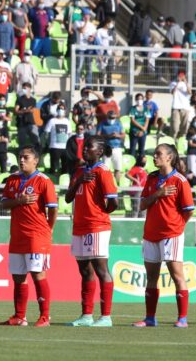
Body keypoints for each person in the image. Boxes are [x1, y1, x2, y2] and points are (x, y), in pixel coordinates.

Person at [132, 144, 195, 328]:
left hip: (171, 234)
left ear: (169, 157)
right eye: (154, 154)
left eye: (158, 154)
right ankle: (150, 318)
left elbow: (189, 210)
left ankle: (182, 318)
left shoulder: (180, 181)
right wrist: (157, 194)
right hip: (151, 233)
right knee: (151, 277)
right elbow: (142, 205)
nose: (154, 157)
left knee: (177, 275)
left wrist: (178, 226)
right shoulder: (152, 178)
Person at [64, 135, 119, 327]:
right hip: (79, 226)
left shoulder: (102, 171)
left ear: (100, 151)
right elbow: (67, 198)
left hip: (97, 226)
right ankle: (86, 315)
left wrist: (101, 214)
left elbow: (114, 201)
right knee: (84, 270)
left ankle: (105, 317)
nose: (85, 149)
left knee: (100, 268)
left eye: (90, 147)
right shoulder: (79, 171)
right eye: (85, 146)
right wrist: (79, 181)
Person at [0, 146, 57, 327]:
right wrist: (20, 201)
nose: (22, 160)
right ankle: (19, 316)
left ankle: (45, 317)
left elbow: (53, 208)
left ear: (36, 161)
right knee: (18, 276)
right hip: (17, 235)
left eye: (26, 157)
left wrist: (49, 228)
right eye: (20, 157)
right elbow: (4, 203)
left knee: (37, 273)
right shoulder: (13, 180)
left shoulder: (43, 181)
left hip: (36, 235)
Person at [97, 111, 125, 183]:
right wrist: (108, 136)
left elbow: (123, 135)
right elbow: (97, 135)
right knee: (105, 169)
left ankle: (119, 187)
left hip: (117, 148)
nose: (112, 119)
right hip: (107, 148)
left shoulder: (118, 123)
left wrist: (117, 135)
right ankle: (104, 185)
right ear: (107, 116)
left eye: (113, 117)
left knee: (118, 169)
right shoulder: (102, 123)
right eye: (110, 117)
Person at [43, 104, 71, 175]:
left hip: (65, 148)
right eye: (59, 108)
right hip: (54, 147)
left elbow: (69, 134)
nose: (60, 110)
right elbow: (46, 133)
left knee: (65, 168)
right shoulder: (52, 121)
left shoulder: (67, 121)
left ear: (65, 111)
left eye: (62, 109)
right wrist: (47, 143)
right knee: (54, 168)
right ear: (57, 110)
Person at [14, 82, 38, 148]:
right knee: (22, 143)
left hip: (31, 122)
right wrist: (25, 111)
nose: (24, 90)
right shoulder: (20, 99)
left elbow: (34, 110)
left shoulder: (33, 100)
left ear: (30, 89)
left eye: (25, 88)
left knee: (36, 141)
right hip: (21, 123)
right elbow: (16, 111)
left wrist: (31, 110)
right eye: (23, 88)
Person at [128, 93, 150, 159]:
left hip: (143, 132)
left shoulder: (146, 109)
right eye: (137, 99)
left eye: (140, 99)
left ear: (143, 100)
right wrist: (142, 128)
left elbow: (147, 120)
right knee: (132, 149)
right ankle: (131, 164)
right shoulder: (133, 109)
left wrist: (143, 130)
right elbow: (133, 120)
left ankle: (141, 165)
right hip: (134, 131)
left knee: (142, 150)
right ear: (135, 100)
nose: (139, 100)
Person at [170, 72, 191, 139]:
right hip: (176, 107)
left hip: (185, 108)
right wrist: (178, 83)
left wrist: (185, 82)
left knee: (184, 127)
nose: (181, 77)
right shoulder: (173, 83)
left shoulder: (187, 84)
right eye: (180, 75)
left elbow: (189, 92)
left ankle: (182, 139)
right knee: (175, 127)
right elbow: (172, 92)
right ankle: (173, 139)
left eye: (182, 76)